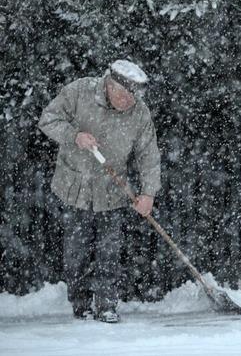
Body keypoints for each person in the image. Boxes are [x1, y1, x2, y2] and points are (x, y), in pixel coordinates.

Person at [38, 60, 161, 323]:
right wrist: (74, 136)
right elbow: (48, 120)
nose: (128, 102)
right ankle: (80, 305)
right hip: (75, 188)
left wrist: (148, 193)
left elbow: (148, 155)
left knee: (110, 253)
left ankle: (107, 305)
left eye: (133, 97)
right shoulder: (79, 92)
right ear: (109, 86)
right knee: (76, 253)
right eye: (124, 96)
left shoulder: (139, 113)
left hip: (113, 191)